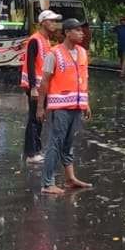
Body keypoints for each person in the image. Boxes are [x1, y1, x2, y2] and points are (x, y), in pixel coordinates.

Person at [34, 18, 92, 195]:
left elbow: (83, 80)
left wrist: (86, 103)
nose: (82, 33)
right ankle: (47, 183)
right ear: (67, 33)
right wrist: (40, 107)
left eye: (82, 30)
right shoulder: (54, 54)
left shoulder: (82, 52)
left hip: (76, 105)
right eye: (78, 30)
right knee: (55, 144)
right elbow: (44, 82)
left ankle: (70, 178)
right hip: (60, 107)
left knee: (68, 143)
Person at [19, 10, 64, 164]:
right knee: (34, 118)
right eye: (51, 21)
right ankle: (31, 153)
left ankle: (33, 150)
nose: (54, 24)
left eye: (55, 21)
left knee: (38, 119)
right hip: (34, 86)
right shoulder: (35, 40)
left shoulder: (45, 40)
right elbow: (30, 65)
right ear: (43, 22)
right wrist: (32, 87)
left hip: (40, 86)